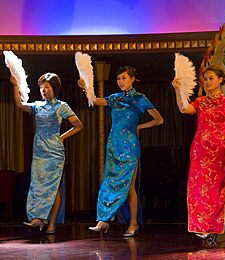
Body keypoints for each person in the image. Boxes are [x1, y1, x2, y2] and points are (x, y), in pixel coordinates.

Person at [78, 66, 163, 236]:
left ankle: (133, 224)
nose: (121, 82)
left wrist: (139, 126)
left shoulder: (139, 98)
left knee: (129, 187)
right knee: (109, 182)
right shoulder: (115, 98)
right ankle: (104, 220)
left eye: (124, 78)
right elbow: (95, 101)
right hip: (113, 146)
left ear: (132, 79)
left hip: (130, 147)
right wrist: (86, 88)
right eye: (118, 79)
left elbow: (158, 119)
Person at [172, 65, 225, 245]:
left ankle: (212, 228)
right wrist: (178, 91)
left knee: (214, 189)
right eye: (205, 79)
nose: (207, 82)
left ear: (221, 80)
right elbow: (184, 109)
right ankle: (201, 227)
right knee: (198, 188)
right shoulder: (201, 101)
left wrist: (224, 135)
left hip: (217, 151)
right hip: (199, 148)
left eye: (211, 78)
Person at [10, 72, 83, 234]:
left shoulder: (61, 106)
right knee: (37, 185)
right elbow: (20, 105)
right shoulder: (38, 105)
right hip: (39, 151)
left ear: (54, 88)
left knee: (53, 187)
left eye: (47, 87)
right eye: (41, 87)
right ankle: (38, 218)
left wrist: (62, 137)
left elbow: (78, 125)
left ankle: (51, 222)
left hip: (54, 151)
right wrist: (15, 86)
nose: (43, 90)